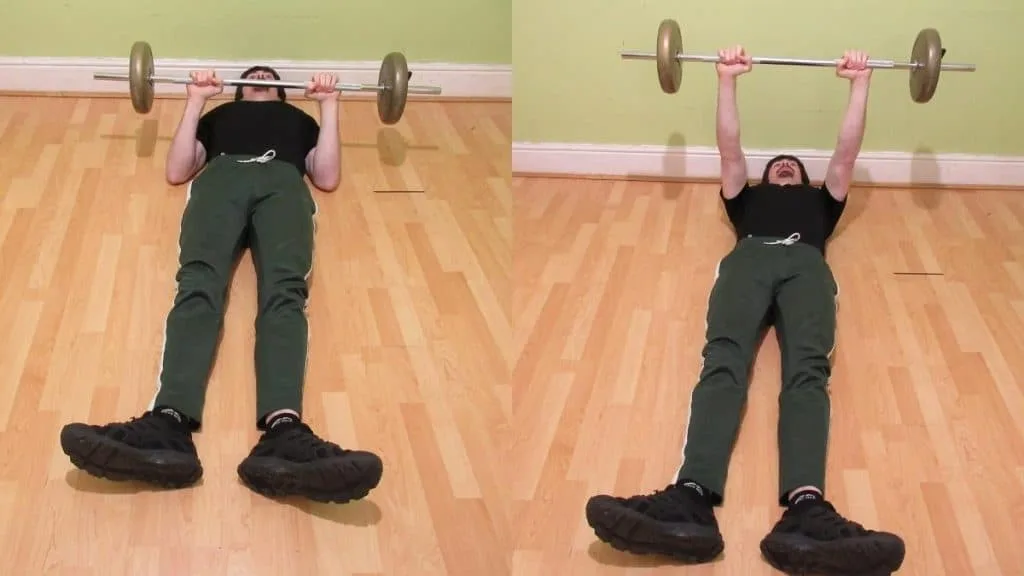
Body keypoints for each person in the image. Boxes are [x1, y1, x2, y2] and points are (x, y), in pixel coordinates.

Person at [584, 47, 906, 574]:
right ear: (761, 177)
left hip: (806, 263)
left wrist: (861, 84)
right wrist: (727, 80)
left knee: (808, 373)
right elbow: (730, 148)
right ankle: (689, 501)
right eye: (776, 163)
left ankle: (806, 512)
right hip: (747, 260)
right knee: (723, 363)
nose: (784, 164)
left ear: (804, 180)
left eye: (793, 166)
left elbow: (846, 152)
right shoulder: (744, 199)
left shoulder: (824, 203)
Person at [59, 65, 384, 504]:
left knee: (286, 294)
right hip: (221, 178)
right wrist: (196, 100)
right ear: (237, 90)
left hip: (284, 181)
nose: (261, 74)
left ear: (282, 93)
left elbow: (325, 177)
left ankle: (284, 433)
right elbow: (177, 171)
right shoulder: (218, 118)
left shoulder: (301, 122)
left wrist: (328, 105)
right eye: (252, 74)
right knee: (197, 285)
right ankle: (168, 425)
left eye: (269, 76)